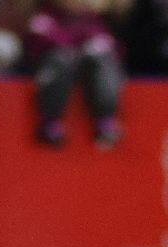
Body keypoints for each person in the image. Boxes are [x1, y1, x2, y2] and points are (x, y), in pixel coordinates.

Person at [25, 0, 127, 148]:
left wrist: (98, 47)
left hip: (86, 75)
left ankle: (106, 122)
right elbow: (37, 46)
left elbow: (112, 47)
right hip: (52, 73)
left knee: (103, 60)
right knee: (60, 59)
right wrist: (75, 48)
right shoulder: (43, 19)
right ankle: (51, 124)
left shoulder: (92, 19)